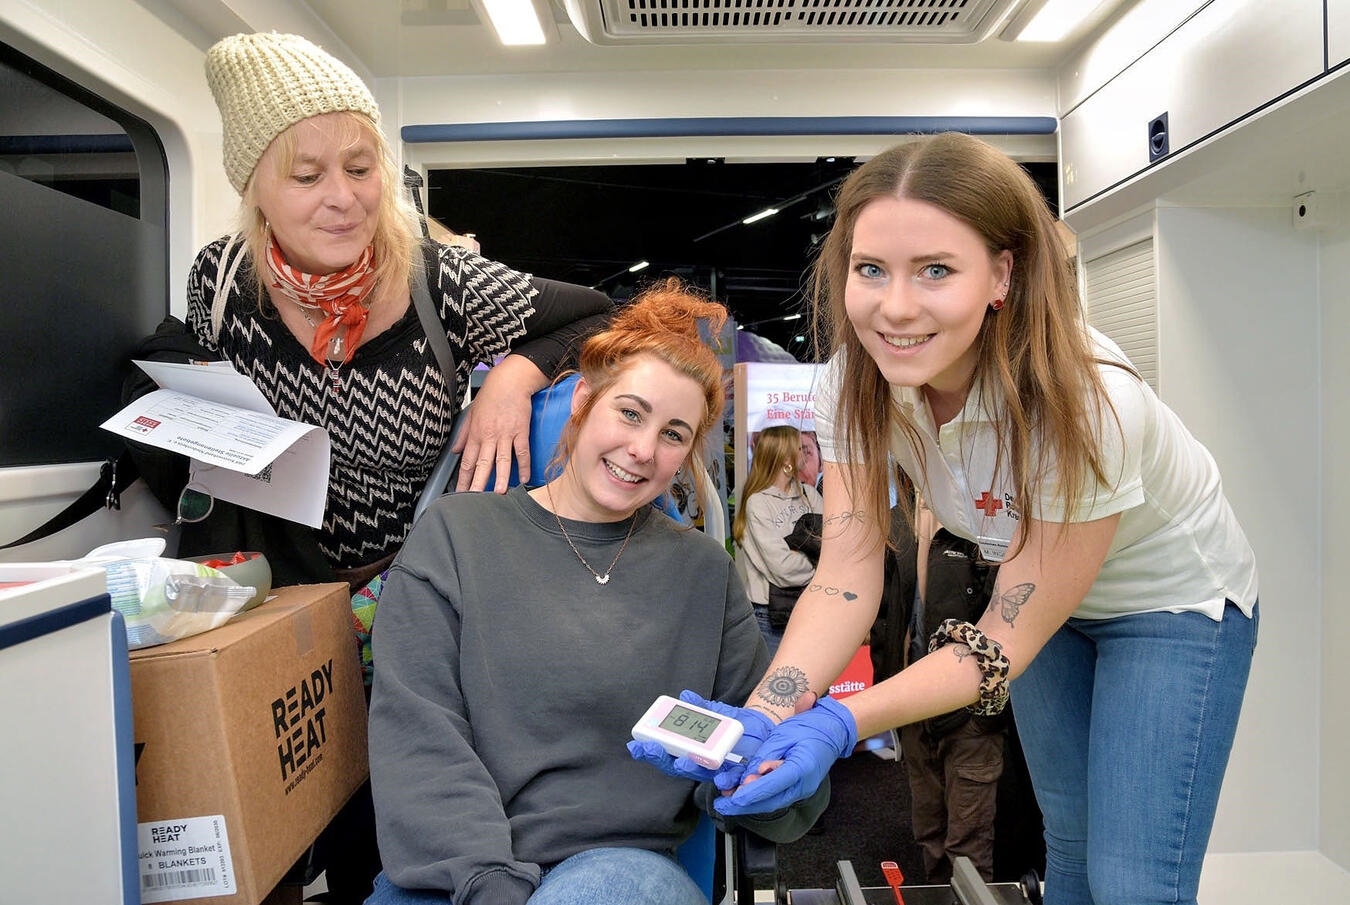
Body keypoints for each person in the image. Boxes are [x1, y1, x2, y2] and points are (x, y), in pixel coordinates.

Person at [652, 133, 1259, 905]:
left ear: (1002, 273)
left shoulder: (1087, 403)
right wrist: (766, 714)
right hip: (1040, 598)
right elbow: (843, 578)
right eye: (871, 269)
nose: (895, 306)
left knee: (1134, 880)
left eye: (935, 269)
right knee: (1067, 847)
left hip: (1170, 601)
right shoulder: (854, 383)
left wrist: (839, 723)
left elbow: (1001, 642)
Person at [366, 279, 827, 905]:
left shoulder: (700, 571)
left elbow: (753, 742)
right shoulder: (456, 537)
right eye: (630, 413)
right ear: (584, 400)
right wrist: (491, 884)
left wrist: (773, 777)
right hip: (457, 874)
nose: (642, 450)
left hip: (623, 871)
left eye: (674, 434)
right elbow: (418, 735)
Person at [167, 32, 611, 587]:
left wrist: (511, 380)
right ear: (253, 189)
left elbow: (603, 316)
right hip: (269, 585)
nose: (344, 198)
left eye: (359, 169)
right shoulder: (220, 282)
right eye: (308, 176)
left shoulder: (440, 283)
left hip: (409, 585)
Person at [899, 504, 1009, 884]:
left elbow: (1007, 626)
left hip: (971, 715)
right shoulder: (905, 520)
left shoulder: (986, 522)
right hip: (913, 703)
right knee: (929, 833)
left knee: (968, 847)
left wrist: (983, 712)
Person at [732, 426, 823, 656]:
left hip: (812, 608)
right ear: (785, 458)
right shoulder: (758, 503)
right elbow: (783, 568)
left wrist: (800, 554)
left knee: (816, 688)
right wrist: (818, 562)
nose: (804, 454)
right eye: (799, 449)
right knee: (779, 689)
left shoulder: (810, 495)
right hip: (770, 617)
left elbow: (834, 549)